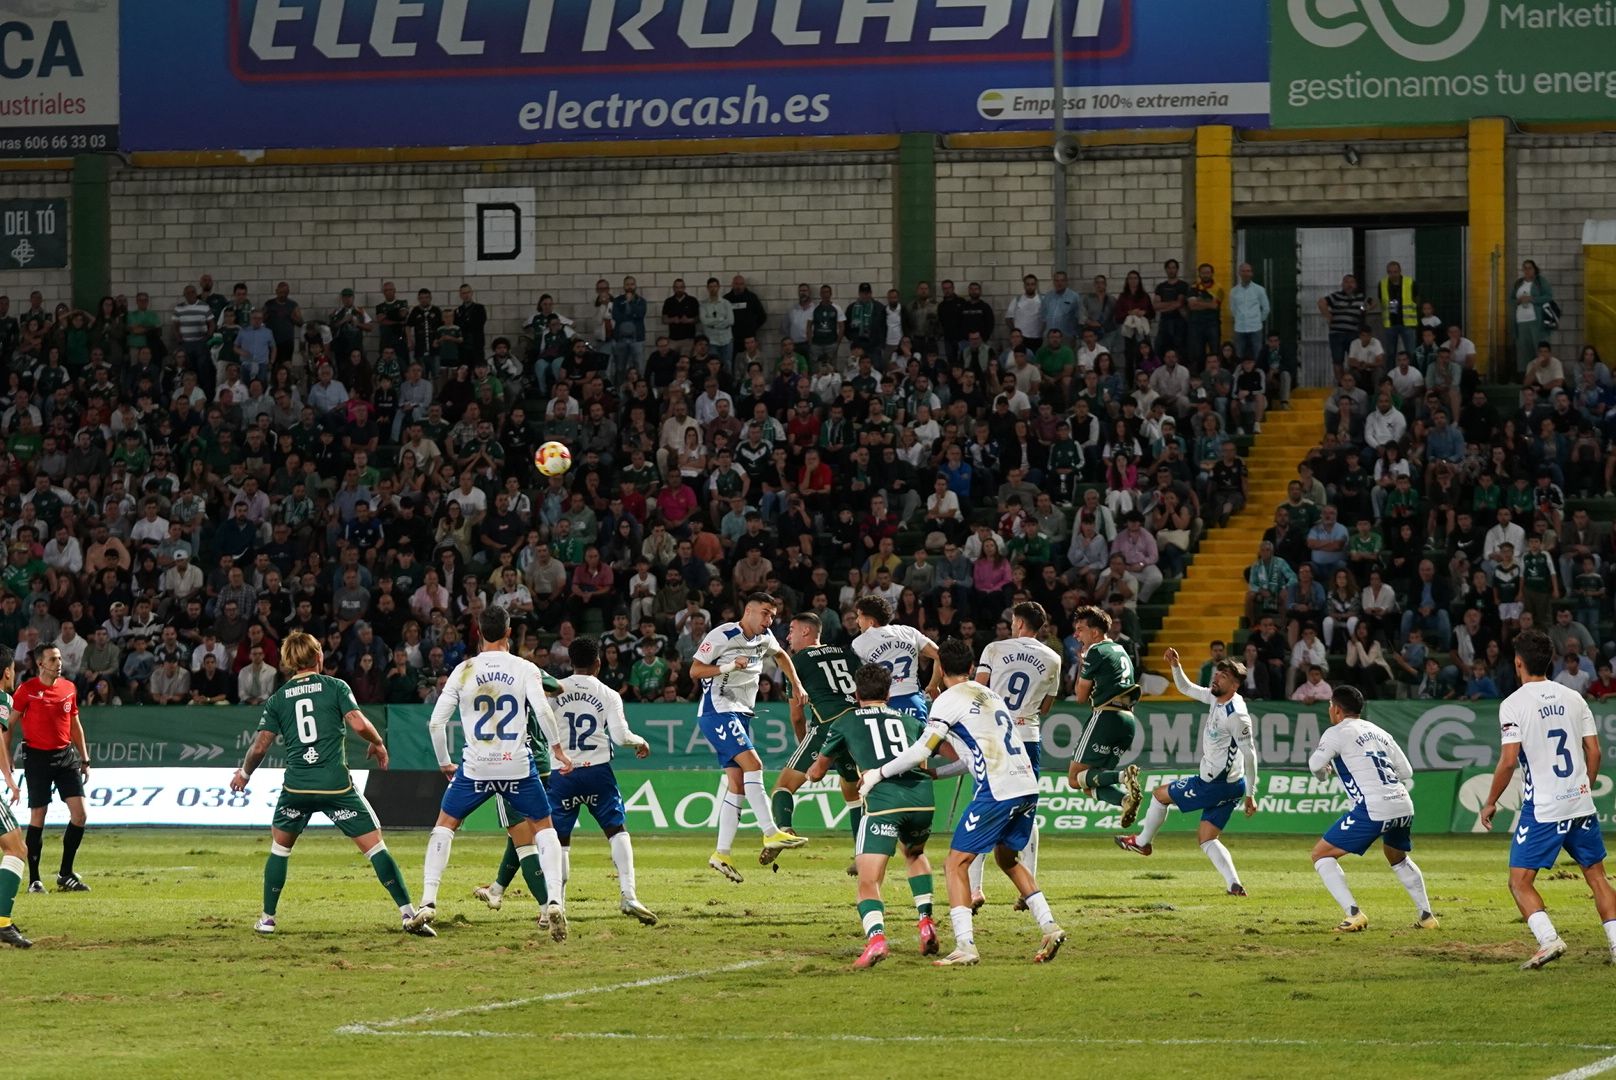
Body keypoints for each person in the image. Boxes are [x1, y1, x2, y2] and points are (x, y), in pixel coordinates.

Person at [859, 638, 1066, 966]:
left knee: (955, 863)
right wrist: (939, 776)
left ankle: (965, 946)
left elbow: (920, 751)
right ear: (971, 668)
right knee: (1008, 859)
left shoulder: (946, 702)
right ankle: (1050, 926)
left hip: (997, 789)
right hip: (1026, 784)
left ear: (940, 669)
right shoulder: (991, 695)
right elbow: (972, 756)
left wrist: (877, 774)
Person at [229, 631, 430, 936]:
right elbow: (359, 723)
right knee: (376, 848)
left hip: (296, 789)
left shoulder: (278, 698)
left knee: (280, 850)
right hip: (335, 787)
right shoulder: (335, 687)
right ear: (319, 656)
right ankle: (407, 913)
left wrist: (243, 775)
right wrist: (378, 743)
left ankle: (268, 918)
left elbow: (259, 747)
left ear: (287, 663)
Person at [416, 606, 574, 938]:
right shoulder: (524, 667)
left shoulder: (463, 670)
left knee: (445, 826)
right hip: (517, 765)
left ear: (478, 631)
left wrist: (445, 761)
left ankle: (428, 903)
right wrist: (557, 748)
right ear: (508, 631)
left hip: (476, 767)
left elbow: (435, 723)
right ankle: (555, 902)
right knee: (544, 829)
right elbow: (544, 711)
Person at [1478, 628, 1616, 969]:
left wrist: (1491, 800)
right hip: (1580, 802)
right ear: (1551, 661)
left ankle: (1548, 940)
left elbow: (1509, 760)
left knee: (1519, 881)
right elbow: (1594, 752)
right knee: (1597, 875)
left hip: (1544, 808)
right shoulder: (1574, 697)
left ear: (1518, 662)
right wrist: (1583, 786)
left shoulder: (1513, 703)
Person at [806, 662, 939, 968]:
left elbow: (815, 772)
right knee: (914, 854)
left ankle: (877, 939)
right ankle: (926, 921)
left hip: (883, 804)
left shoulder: (846, 721)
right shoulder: (909, 720)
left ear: (856, 692)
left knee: (868, 879)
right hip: (922, 801)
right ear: (889, 693)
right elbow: (923, 760)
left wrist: (840, 761)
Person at [1116, 648, 1257, 897]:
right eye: (1218, 673)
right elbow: (1187, 688)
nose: (1216, 678)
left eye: (1223, 676)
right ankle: (1234, 884)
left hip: (1215, 784)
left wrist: (1251, 794)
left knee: (1160, 795)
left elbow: (1250, 754)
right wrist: (1175, 665)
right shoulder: (1217, 697)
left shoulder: (1237, 716)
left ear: (1234, 684)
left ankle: (1142, 843)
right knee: (1207, 838)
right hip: (1231, 785)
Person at [689, 592, 809, 882]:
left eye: (772, 615)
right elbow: (694, 670)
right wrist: (728, 667)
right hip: (718, 711)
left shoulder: (765, 638)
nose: (770, 620)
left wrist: (797, 683)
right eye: (766, 613)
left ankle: (722, 853)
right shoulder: (723, 634)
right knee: (754, 765)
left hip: (740, 713)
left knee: (737, 785)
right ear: (749, 611)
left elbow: (781, 655)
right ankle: (770, 832)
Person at [539, 637, 657, 925]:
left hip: (563, 772)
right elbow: (620, 736)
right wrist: (640, 742)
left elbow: (542, 726)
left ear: (571, 662)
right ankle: (628, 895)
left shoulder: (554, 691)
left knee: (560, 840)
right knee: (617, 830)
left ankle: (555, 904)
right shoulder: (608, 693)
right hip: (598, 773)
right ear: (598, 663)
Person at [1307, 685, 1437, 933]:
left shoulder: (1336, 732)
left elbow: (1315, 764)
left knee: (1321, 855)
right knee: (1397, 857)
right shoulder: (1380, 732)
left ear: (1336, 709)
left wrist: (1323, 774)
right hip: (1403, 804)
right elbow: (1406, 772)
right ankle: (1427, 916)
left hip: (1374, 807)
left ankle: (1353, 914)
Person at [967, 601, 1062, 911]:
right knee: (1026, 811)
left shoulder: (994, 649)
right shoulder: (1053, 659)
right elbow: (1046, 708)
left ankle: (974, 890)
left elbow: (978, 691)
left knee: (982, 808)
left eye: (1013, 621)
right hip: (1028, 740)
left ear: (1020, 624)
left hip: (994, 737)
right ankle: (1028, 886)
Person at [765, 613, 861, 868]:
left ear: (806, 632)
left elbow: (797, 716)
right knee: (853, 793)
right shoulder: (847, 653)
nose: (787, 636)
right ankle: (863, 855)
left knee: (782, 788)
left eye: (792, 630)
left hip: (829, 725)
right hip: (858, 723)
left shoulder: (796, 663)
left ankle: (784, 831)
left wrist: (805, 745)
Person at [4, 644, 90, 893]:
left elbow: (75, 725)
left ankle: (65, 874)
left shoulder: (68, 688)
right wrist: (7, 756)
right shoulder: (27, 690)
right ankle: (35, 879)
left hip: (65, 757)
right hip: (37, 758)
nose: (58, 663)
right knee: (38, 816)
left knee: (80, 814)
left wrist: (84, 758)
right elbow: (8, 725)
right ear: (41, 664)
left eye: (60, 658)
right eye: (53, 659)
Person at [1065, 607, 1142, 824]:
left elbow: (1080, 696)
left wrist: (1082, 663)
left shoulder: (1096, 651)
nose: (1076, 635)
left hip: (1106, 716)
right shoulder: (1120, 649)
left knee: (1074, 779)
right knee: (1091, 783)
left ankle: (1122, 776)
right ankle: (1126, 800)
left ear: (1096, 633)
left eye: (1080, 630)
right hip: (1127, 721)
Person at [850, 595, 940, 719]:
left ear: (871, 622)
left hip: (882, 703)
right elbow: (940, 655)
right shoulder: (909, 632)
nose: (857, 621)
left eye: (859, 616)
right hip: (913, 700)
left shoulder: (859, 643)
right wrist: (933, 685)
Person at [0, 646, 35, 945]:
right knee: (16, 848)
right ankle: (2, 922)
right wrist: (10, 779)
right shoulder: (1, 697)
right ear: (8, 671)